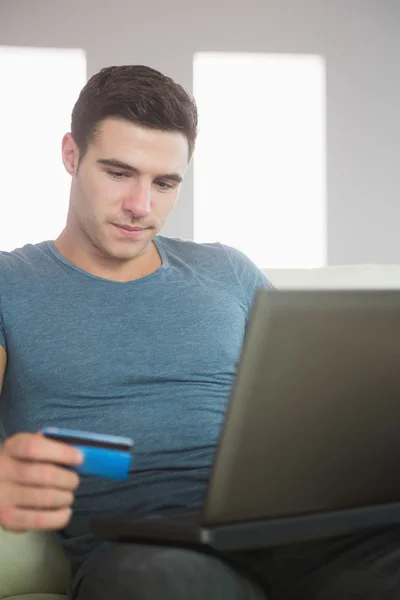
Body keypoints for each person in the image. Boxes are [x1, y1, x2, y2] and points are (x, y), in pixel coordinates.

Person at [0, 64, 399, 600]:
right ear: (71, 155)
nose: (142, 207)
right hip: (149, 549)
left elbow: (318, 413)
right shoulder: (11, 282)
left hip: (304, 531)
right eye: (119, 173)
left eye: (164, 183)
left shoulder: (226, 270)